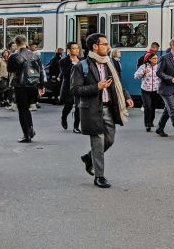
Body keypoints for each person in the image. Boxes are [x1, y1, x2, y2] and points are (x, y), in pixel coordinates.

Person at [71, 33, 134, 189]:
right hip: (92, 109)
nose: (108, 47)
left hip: (109, 108)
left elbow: (118, 83)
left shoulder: (108, 63)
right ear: (95, 46)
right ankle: (99, 176)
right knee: (98, 143)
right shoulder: (81, 66)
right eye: (104, 44)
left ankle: (88, 157)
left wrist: (126, 96)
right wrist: (96, 87)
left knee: (110, 140)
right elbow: (75, 89)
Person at [7, 35, 45, 143]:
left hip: (20, 86)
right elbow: (40, 71)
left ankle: (27, 134)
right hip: (33, 85)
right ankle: (30, 129)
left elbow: (10, 70)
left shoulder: (14, 56)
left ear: (16, 43)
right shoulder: (34, 55)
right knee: (27, 109)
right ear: (26, 42)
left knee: (22, 110)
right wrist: (41, 86)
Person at [134, 53, 161, 132]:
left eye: (156, 58)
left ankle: (151, 121)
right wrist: (143, 73)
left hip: (155, 90)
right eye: (154, 58)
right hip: (145, 90)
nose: (156, 60)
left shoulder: (158, 67)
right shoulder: (144, 66)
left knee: (153, 107)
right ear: (150, 59)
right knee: (147, 107)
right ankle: (147, 124)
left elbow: (162, 76)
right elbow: (135, 76)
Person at [59, 42, 82, 133]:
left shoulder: (82, 60)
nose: (76, 50)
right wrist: (73, 64)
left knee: (78, 107)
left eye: (77, 48)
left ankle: (76, 126)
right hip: (69, 86)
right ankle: (64, 117)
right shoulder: (63, 61)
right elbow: (66, 74)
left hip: (80, 87)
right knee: (68, 105)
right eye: (74, 48)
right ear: (69, 50)